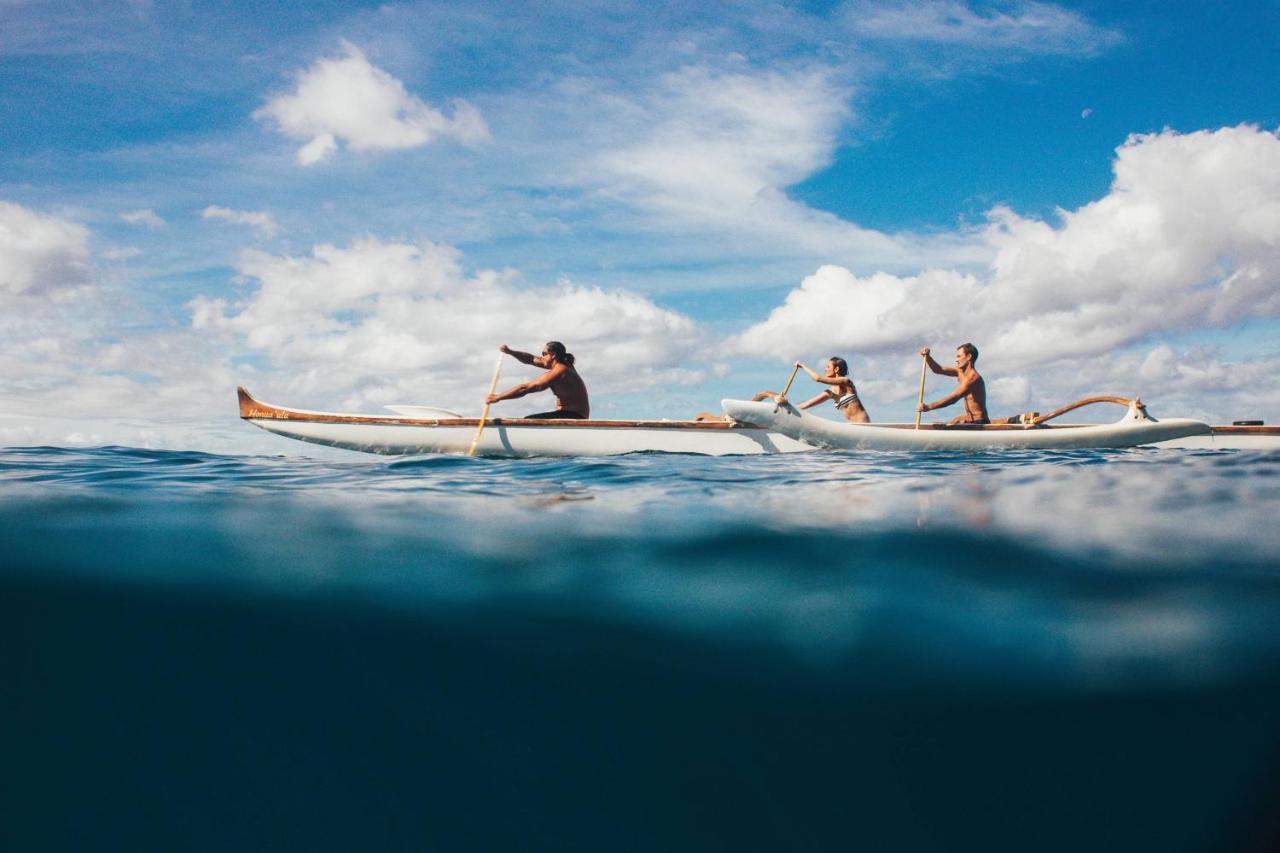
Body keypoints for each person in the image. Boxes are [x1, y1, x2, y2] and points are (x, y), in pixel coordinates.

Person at [694, 356, 870, 423]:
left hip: (864, 427)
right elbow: (806, 405)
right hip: (851, 428)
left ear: (836, 370)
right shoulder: (830, 393)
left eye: (828, 367)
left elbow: (816, 378)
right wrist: (784, 405)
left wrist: (802, 365)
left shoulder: (847, 383)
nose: (826, 369)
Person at [487, 341, 590, 419]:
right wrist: (510, 352)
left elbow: (526, 388)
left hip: (574, 416)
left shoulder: (559, 371)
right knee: (529, 420)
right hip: (572, 415)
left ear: (553, 354)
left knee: (528, 421)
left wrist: (498, 397)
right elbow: (531, 359)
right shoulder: (564, 365)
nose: (542, 357)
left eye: (544, 353)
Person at [916, 343, 989, 425]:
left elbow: (953, 399)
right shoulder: (960, 372)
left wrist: (929, 407)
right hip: (969, 421)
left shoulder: (973, 378)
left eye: (959, 356)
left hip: (979, 422)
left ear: (969, 357)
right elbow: (939, 369)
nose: (956, 360)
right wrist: (928, 357)